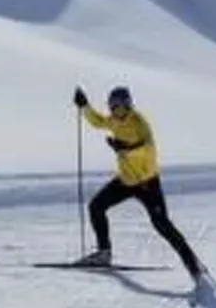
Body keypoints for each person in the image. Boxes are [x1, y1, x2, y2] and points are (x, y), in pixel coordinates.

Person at [73, 85, 205, 281]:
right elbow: (99, 122)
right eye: (111, 106)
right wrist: (85, 107)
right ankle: (104, 253)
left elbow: (147, 149)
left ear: (127, 105)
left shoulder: (139, 123)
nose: (114, 110)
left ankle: (193, 265)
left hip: (147, 183)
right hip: (126, 181)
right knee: (96, 206)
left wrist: (124, 148)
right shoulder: (115, 121)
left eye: (117, 106)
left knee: (162, 225)